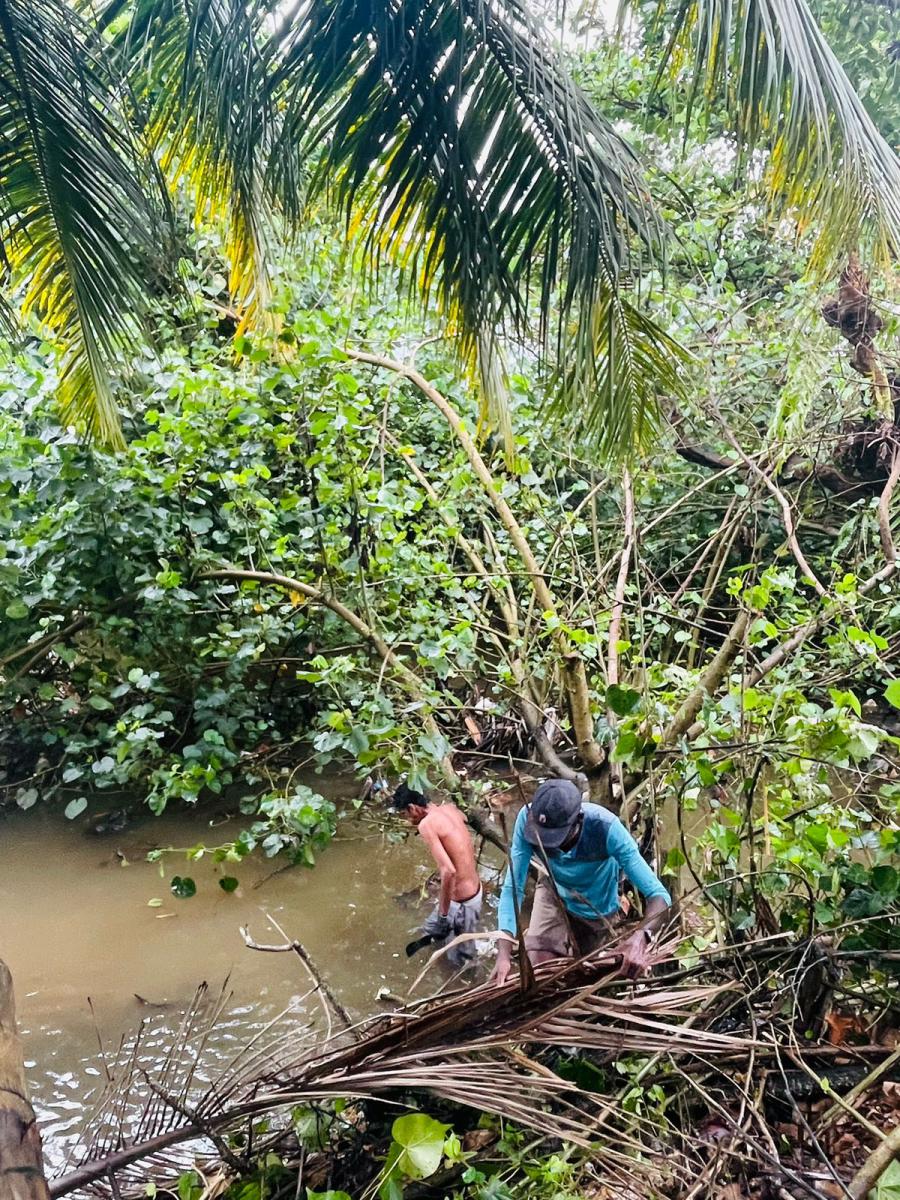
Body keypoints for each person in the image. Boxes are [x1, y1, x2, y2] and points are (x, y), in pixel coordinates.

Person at [491, 777, 671, 985]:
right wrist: (503, 953)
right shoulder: (527, 820)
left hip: (596, 907)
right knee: (541, 972)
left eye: (554, 838)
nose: (548, 846)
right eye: (542, 837)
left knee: (583, 977)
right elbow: (513, 887)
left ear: (577, 822)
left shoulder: (607, 829)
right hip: (553, 892)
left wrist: (641, 936)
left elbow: (659, 895)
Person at [393, 782, 482, 967]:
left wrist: (443, 915)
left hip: (463, 903)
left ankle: (469, 983)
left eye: (405, 815)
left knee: (459, 962)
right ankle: (440, 942)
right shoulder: (449, 808)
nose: (409, 821)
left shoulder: (426, 825)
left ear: (412, 808)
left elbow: (449, 871)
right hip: (474, 891)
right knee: (429, 930)